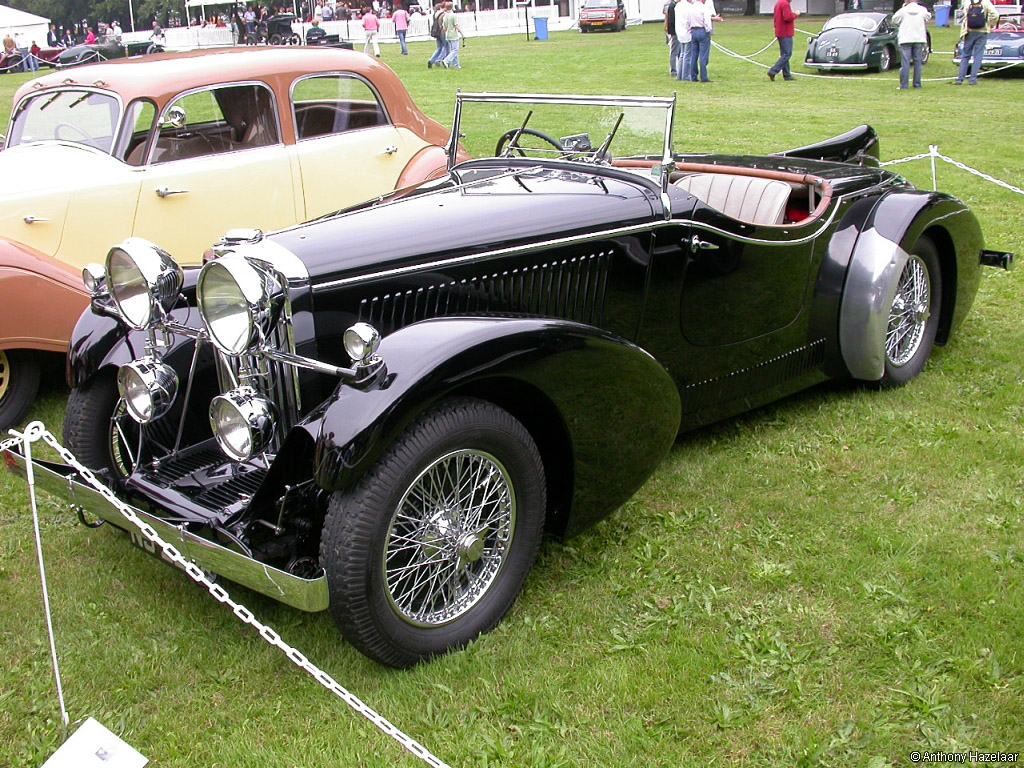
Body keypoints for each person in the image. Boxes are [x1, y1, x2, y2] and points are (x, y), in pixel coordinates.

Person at [955, 0, 998, 84]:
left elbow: (965, 15)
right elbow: (995, 15)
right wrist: (990, 24)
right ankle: (973, 79)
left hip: (969, 31)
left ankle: (960, 79)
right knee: (978, 56)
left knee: (965, 55)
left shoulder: (967, 2)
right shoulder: (986, 2)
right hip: (982, 31)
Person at [893, 0, 931, 89]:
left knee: (905, 62)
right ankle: (917, 84)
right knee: (918, 62)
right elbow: (928, 17)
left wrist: (903, 8)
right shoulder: (922, 9)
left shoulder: (903, 11)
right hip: (919, 38)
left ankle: (904, 85)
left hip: (906, 38)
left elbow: (894, 20)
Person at [766, 0, 799, 82]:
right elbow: (787, 17)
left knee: (784, 54)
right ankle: (773, 71)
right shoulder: (785, 4)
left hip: (780, 32)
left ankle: (787, 75)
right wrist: (796, 14)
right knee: (787, 54)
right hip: (785, 33)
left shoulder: (779, 3)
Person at [686, 0, 714, 82]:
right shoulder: (704, 8)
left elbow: (688, 21)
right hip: (702, 30)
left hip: (693, 30)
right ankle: (704, 77)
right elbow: (707, 22)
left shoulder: (690, 8)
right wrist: (709, 31)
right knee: (703, 55)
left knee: (694, 55)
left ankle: (693, 76)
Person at [440, 0, 463, 68]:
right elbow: (456, 26)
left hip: (448, 35)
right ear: (452, 7)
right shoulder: (453, 15)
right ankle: (446, 61)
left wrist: (443, 34)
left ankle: (456, 65)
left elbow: (444, 28)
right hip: (454, 35)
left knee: (453, 50)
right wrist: (462, 33)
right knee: (455, 50)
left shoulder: (445, 16)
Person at [675, 0, 694, 81]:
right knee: (687, 55)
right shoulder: (688, 7)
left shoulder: (678, 5)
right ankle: (685, 76)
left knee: (682, 55)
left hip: (680, 31)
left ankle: (680, 75)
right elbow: (689, 20)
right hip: (686, 32)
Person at [427, 2, 447, 68]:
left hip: (437, 32)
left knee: (439, 48)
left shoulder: (435, 14)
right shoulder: (444, 14)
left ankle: (431, 60)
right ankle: (438, 60)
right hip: (442, 31)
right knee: (445, 46)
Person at [665, 0, 679, 77]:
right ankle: (673, 70)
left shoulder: (673, 5)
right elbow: (671, 21)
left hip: (676, 32)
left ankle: (679, 68)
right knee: (674, 51)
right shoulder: (672, 6)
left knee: (679, 51)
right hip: (675, 32)